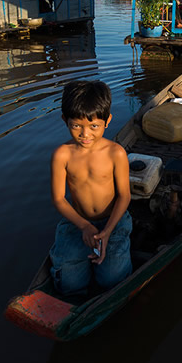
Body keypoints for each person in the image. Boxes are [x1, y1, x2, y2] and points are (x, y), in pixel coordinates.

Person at [48, 80, 132, 296]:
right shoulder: (62, 155)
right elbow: (59, 199)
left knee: (112, 280)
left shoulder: (116, 153)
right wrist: (84, 226)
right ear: (65, 120)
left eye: (94, 126)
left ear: (107, 121)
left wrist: (107, 231)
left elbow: (124, 196)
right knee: (69, 284)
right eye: (76, 126)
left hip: (113, 221)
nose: (85, 134)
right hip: (77, 222)